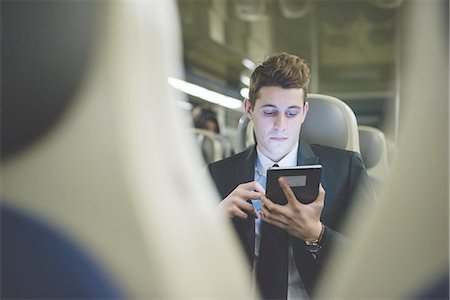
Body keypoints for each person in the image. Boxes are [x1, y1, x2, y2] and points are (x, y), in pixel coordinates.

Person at [208, 52, 376, 299]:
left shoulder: (345, 169)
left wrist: (316, 234)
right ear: (249, 109)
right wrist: (212, 221)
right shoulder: (218, 174)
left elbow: (375, 259)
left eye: (291, 113)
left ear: (305, 112)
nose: (280, 125)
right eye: (269, 112)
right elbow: (182, 260)